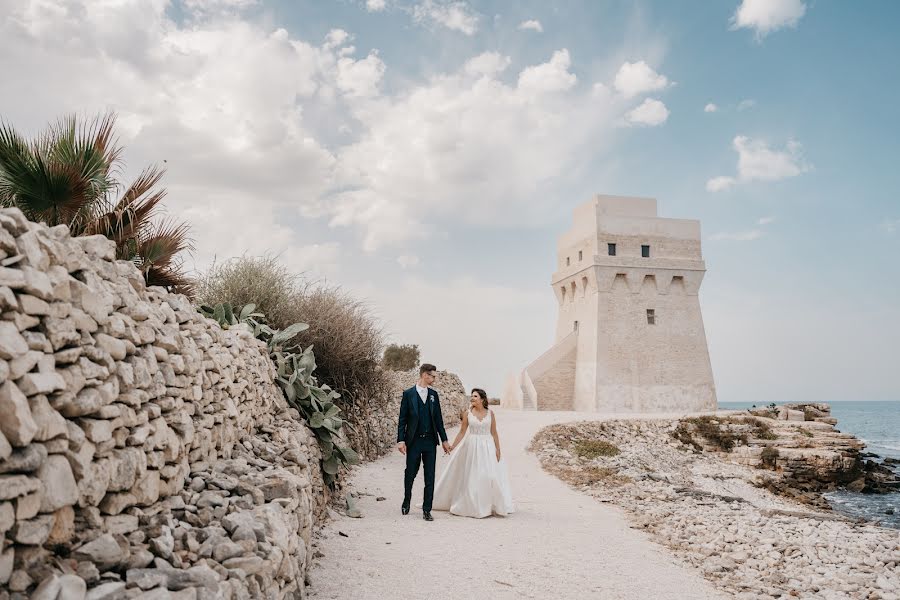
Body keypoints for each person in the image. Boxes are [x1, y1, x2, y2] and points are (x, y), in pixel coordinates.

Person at [432, 388, 515, 518]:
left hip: (487, 447)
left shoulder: (490, 413)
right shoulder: (467, 413)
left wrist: (498, 449)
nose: (472, 398)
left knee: (490, 476)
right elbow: (462, 432)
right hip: (471, 447)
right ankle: (474, 505)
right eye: (471, 396)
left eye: (475, 396)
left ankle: (490, 504)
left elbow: (494, 433)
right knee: (473, 476)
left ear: (482, 399)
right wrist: (453, 446)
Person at [396, 363, 450, 521]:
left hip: (430, 442)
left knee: (430, 475)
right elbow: (402, 419)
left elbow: (439, 419)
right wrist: (401, 440)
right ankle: (407, 500)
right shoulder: (408, 394)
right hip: (413, 441)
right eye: (432, 376)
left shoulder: (434, 395)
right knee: (410, 473)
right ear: (425, 375)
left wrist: (444, 439)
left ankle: (427, 509)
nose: (434, 379)